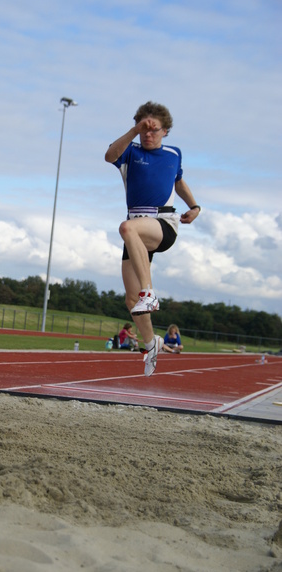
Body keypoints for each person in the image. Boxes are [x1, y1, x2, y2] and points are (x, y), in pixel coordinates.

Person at [105, 101, 200, 376]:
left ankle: (150, 292)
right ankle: (151, 344)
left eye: (153, 129)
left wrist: (194, 207)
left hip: (163, 223)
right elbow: (109, 155)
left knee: (126, 229)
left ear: (165, 131)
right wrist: (134, 129)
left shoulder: (173, 154)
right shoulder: (130, 153)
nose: (148, 134)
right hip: (137, 226)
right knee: (130, 299)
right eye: (143, 129)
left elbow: (178, 181)